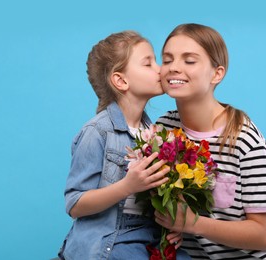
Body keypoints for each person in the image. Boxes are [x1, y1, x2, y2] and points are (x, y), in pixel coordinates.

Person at [154, 23, 266, 259]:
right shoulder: (164, 129)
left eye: (189, 60)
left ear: (217, 73)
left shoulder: (244, 141)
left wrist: (191, 223)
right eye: (167, 60)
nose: (174, 68)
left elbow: (261, 234)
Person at [58, 31, 190, 260]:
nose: (160, 69)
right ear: (121, 80)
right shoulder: (97, 132)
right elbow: (75, 204)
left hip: (148, 234)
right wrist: (127, 186)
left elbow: (157, 196)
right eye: (148, 63)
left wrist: (173, 226)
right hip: (113, 238)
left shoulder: (156, 133)